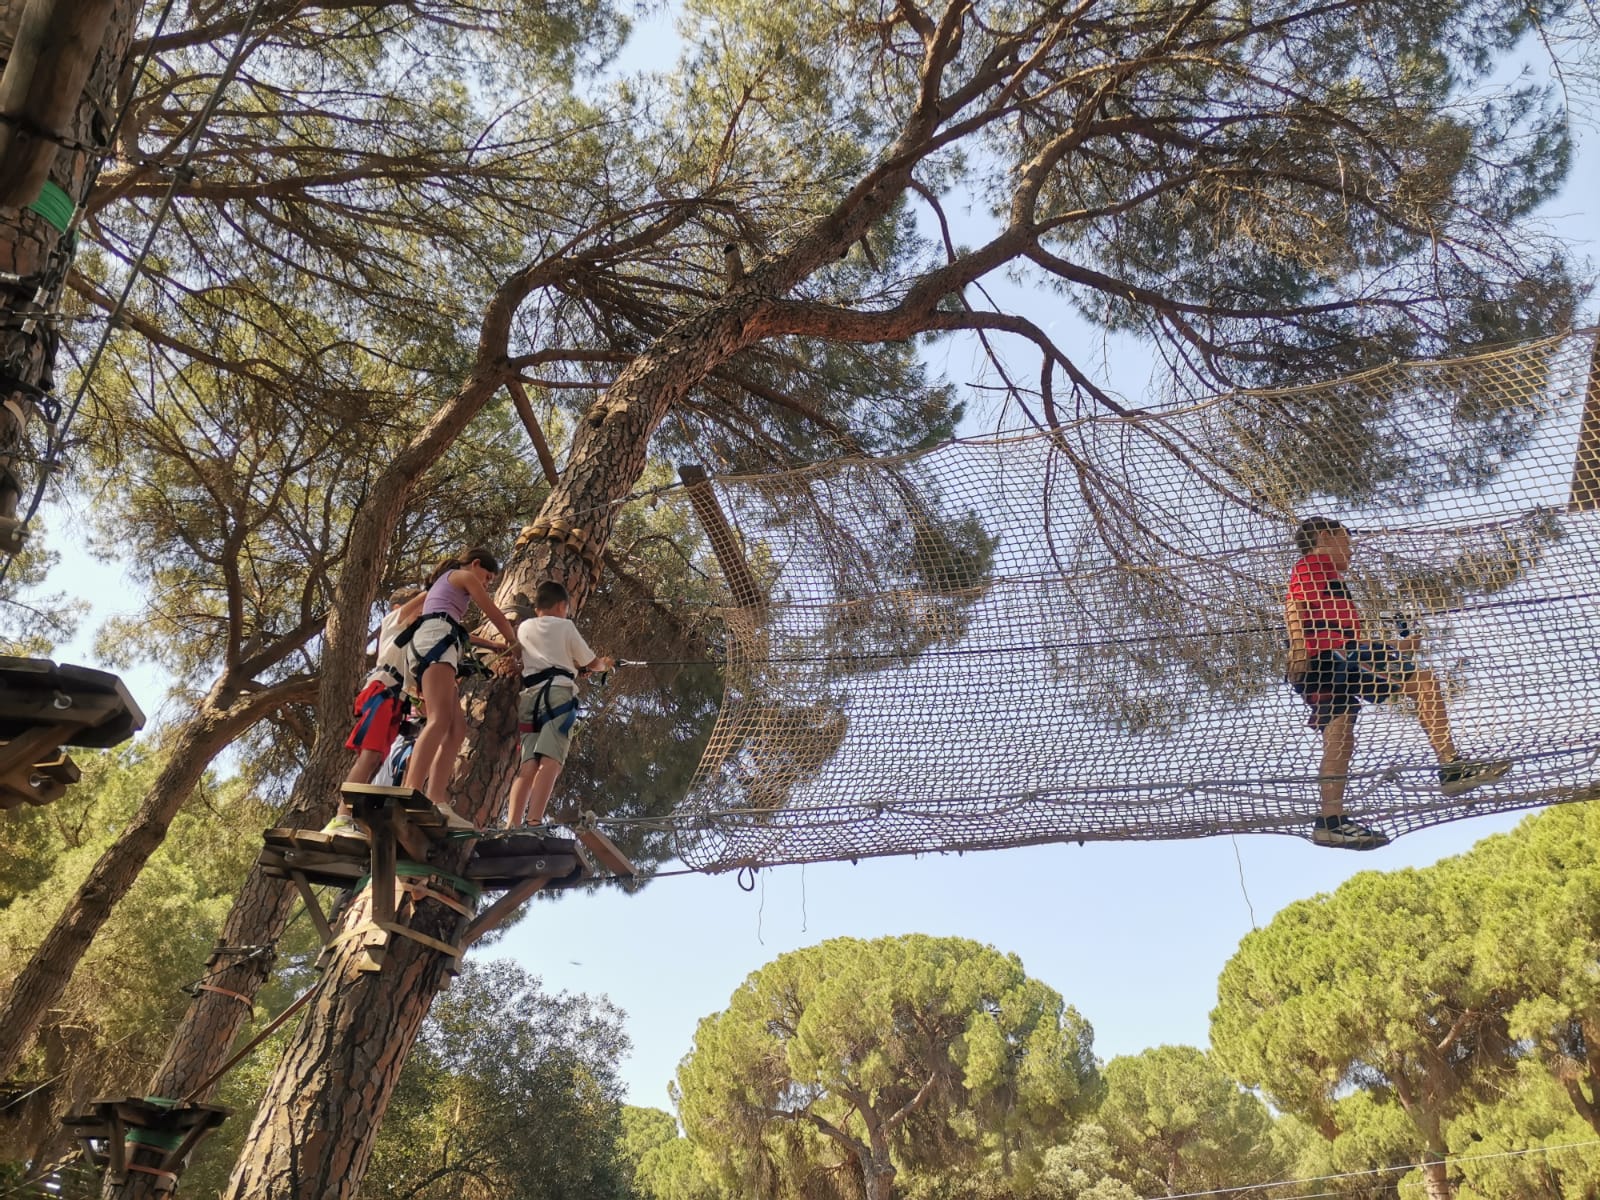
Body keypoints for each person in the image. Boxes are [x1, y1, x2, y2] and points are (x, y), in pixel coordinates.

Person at [1285, 517, 1510, 849]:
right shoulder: (1314, 564)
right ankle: (1450, 767)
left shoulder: (1333, 582)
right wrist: (1298, 646)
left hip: (1339, 658)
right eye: (1345, 540)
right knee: (1422, 682)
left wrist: (1394, 647)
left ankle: (1329, 821)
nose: (1351, 548)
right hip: (1330, 658)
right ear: (1325, 536)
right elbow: (1293, 604)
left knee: (1341, 735)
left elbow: (1348, 635)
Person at [398, 546, 519, 823]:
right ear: (475, 564)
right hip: (436, 644)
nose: (486, 583)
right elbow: (493, 612)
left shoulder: (446, 590)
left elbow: (459, 630)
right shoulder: (462, 576)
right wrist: (514, 641)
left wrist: (495, 644)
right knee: (439, 720)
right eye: (487, 577)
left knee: (456, 727)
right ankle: (411, 791)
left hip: (439, 642)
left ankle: (437, 798)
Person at [504, 580, 613, 828]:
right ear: (562, 605)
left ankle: (512, 824)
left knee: (529, 763)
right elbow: (591, 661)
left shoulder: (524, 628)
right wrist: (603, 665)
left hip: (530, 699)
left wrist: (574, 667)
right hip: (559, 697)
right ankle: (533, 822)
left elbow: (542, 659)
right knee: (551, 761)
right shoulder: (566, 626)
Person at [324, 588, 425, 836]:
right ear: (399, 607)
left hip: (396, 699)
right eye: (419, 608)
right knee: (368, 757)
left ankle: (353, 817)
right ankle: (341, 817)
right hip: (381, 691)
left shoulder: (413, 643)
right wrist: (444, 584)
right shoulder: (394, 621)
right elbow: (423, 599)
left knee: (377, 761)